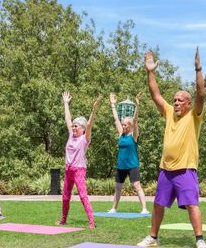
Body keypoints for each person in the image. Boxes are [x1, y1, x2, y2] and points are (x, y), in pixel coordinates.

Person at [137, 48, 206, 248]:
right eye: (174, 100)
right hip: (166, 169)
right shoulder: (168, 113)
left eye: (179, 100)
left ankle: (199, 239)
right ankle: (153, 237)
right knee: (158, 204)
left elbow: (201, 92)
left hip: (185, 168)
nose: (175, 103)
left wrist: (198, 69)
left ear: (188, 104)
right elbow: (155, 95)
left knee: (192, 204)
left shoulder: (195, 115)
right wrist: (150, 71)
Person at [57, 92, 101, 229]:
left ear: (82, 129)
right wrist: (65, 103)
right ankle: (63, 220)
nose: (74, 127)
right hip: (68, 170)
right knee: (65, 196)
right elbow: (67, 118)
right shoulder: (71, 135)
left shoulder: (84, 139)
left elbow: (89, 124)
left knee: (83, 195)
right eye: (73, 126)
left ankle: (91, 222)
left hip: (79, 170)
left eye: (77, 126)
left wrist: (94, 110)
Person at [108, 92, 148, 214]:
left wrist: (137, 105)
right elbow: (115, 119)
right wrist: (112, 104)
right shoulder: (121, 134)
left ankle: (144, 209)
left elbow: (135, 120)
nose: (123, 125)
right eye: (123, 124)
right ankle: (114, 208)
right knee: (118, 188)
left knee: (137, 187)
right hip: (121, 166)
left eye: (125, 124)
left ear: (130, 126)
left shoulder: (133, 136)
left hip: (132, 165)